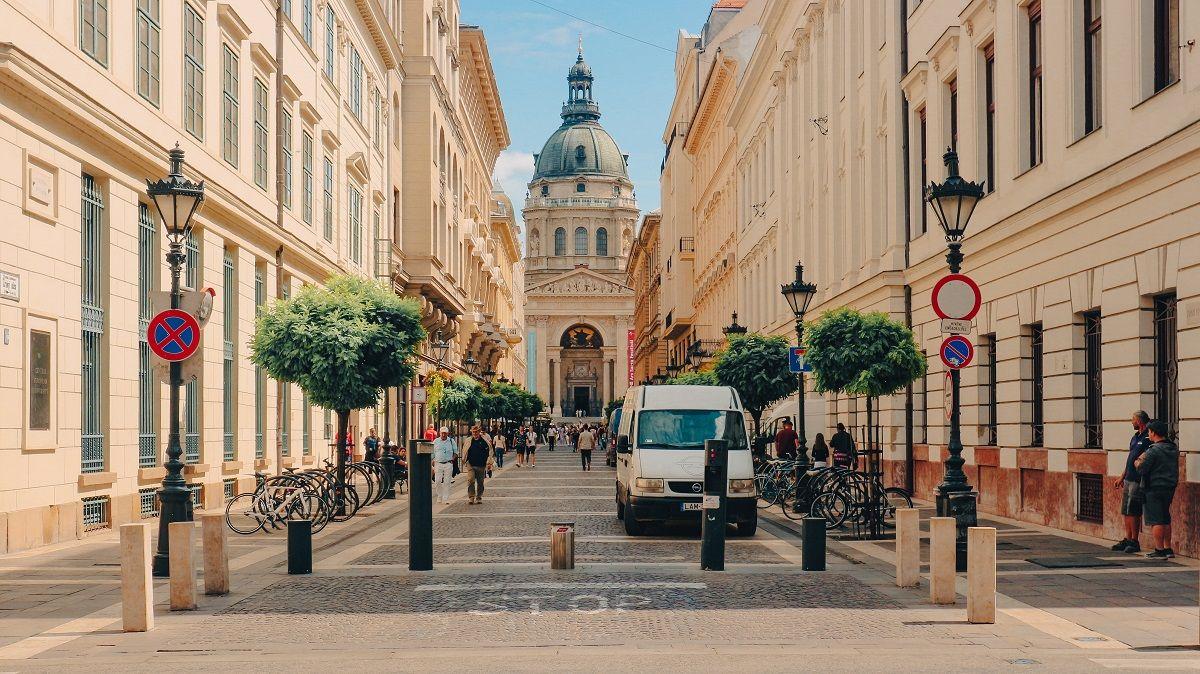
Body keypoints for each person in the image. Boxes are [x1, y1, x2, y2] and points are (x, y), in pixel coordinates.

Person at [1135, 420, 1178, 559]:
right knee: (1165, 517)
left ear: (1153, 432)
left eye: (1149, 432)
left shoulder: (1153, 450)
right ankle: (1168, 548)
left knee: (1156, 520)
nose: (1149, 434)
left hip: (1153, 487)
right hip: (1169, 486)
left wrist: (1137, 462)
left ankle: (1159, 550)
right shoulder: (1173, 447)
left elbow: (1142, 469)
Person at [1112, 411, 1152, 553]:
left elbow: (1147, 459)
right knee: (1126, 510)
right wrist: (1122, 476)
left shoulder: (1149, 436)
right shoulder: (1135, 437)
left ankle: (1134, 540)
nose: (1131, 422)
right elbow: (1130, 458)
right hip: (1129, 477)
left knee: (1133, 509)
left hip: (1137, 478)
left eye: (1133, 419)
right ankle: (1128, 538)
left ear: (1139, 421)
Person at [464, 426, 492, 504]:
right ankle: (471, 497)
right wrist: (465, 460)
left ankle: (479, 497)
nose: (475, 433)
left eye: (476, 432)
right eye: (473, 432)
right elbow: (465, 450)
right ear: (471, 432)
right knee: (470, 480)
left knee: (480, 482)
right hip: (471, 464)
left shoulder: (484, 441)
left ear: (479, 432)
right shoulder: (468, 440)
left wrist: (489, 463)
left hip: (481, 465)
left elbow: (489, 452)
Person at [432, 427, 457, 504]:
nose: (443, 434)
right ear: (439, 433)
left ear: (447, 433)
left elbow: (455, 452)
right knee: (437, 481)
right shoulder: (435, 441)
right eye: (442, 433)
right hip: (438, 463)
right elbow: (432, 453)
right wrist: (432, 461)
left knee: (447, 481)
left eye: (445, 433)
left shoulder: (451, 441)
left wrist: (452, 459)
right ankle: (439, 496)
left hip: (448, 463)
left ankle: (446, 498)